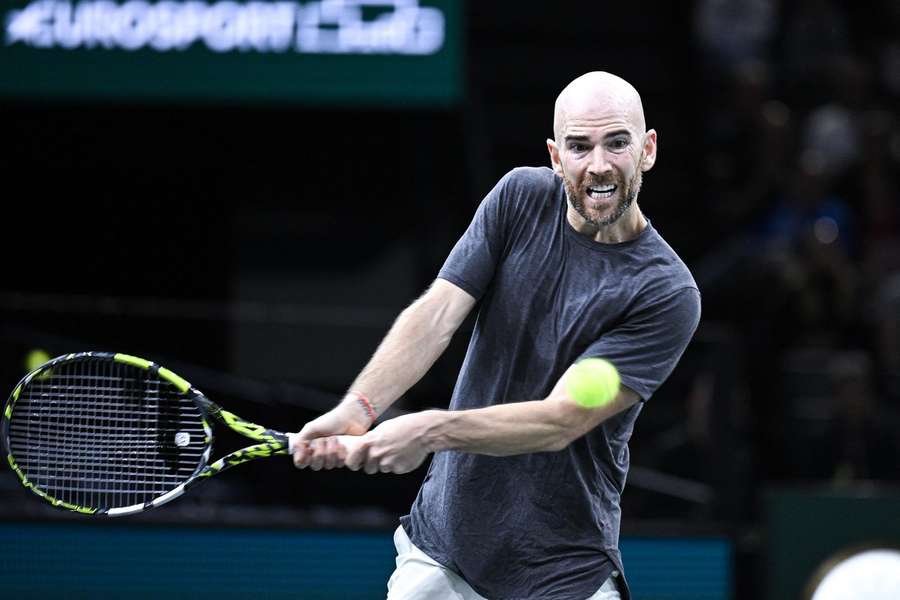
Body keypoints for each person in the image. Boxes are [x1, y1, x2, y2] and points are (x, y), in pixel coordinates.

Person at [290, 71, 701, 600]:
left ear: (647, 150)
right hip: (443, 552)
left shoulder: (666, 292)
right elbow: (437, 313)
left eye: (616, 143)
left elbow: (561, 420)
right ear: (556, 157)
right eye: (579, 146)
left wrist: (430, 430)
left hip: (562, 574)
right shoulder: (519, 198)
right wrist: (359, 408)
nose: (599, 164)